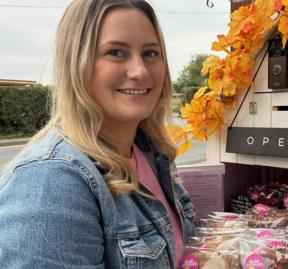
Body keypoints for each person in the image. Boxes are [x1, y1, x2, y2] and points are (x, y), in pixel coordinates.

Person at [0, 0, 195, 268]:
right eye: (116, 52)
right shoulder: (52, 181)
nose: (139, 71)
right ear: (76, 64)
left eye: (150, 53)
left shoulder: (152, 152)